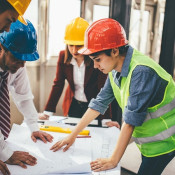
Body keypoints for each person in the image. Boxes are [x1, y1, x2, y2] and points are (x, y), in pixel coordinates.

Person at [50, 18, 175, 175]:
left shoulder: (141, 72)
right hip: (149, 140)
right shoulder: (116, 69)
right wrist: (72, 135)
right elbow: (99, 103)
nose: (95, 66)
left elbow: (130, 122)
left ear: (115, 51)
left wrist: (113, 160)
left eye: (98, 60)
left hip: (164, 142)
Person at [39, 17, 117, 127]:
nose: (74, 50)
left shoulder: (96, 58)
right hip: (73, 104)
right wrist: (47, 113)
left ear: (86, 43)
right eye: (71, 45)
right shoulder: (63, 56)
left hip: (93, 106)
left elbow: (103, 89)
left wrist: (106, 119)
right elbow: (58, 84)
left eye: (79, 45)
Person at [0, 19, 53, 172]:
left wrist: (33, 126)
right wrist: (6, 153)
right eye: (17, 58)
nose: (22, 65)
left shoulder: (17, 66)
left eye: (25, 60)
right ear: (1, 48)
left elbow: (24, 97)